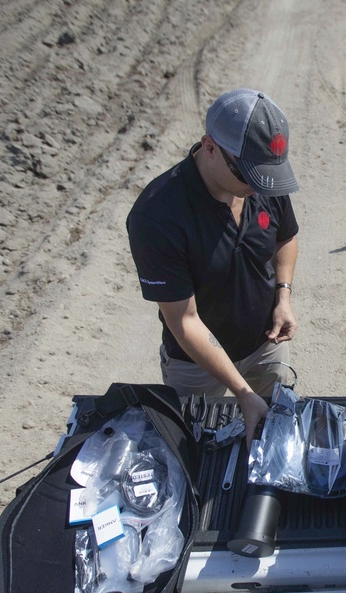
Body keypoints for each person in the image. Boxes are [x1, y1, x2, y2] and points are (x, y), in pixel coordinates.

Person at [128, 89, 300, 439]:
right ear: (209, 147)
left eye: (266, 177)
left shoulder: (263, 179)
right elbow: (184, 320)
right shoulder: (158, 215)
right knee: (195, 446)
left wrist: (283, 296)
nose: (258, 187)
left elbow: (286, 237)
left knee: (276, 434)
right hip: (194, 366)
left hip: (263, 345)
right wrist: (242, 392)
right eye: (248, 176)